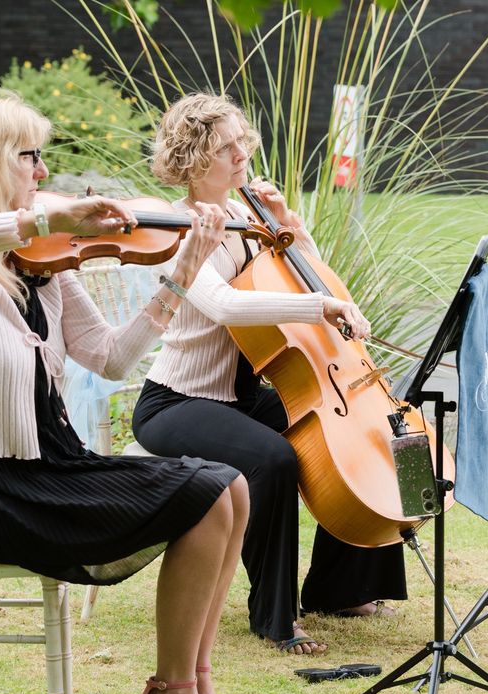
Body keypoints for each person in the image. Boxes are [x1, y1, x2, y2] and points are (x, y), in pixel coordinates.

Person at [0, 85, 257, 694]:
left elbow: (111, 357)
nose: (42, 174)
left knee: (231, 485)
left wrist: (181, 272)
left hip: (53, 461)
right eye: (27, 157)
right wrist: (49, 218)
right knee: (207, 494)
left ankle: (194, 686)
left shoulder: (43, 266)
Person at [131, 93, 407, 657]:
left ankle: (342, 585)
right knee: (272, 459)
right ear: (193, 159)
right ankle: (273, 615)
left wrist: (291, 230)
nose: (241, 154)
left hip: (238, 395)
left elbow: (311, 278)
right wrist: (318, 309)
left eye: (242, 141)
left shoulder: (251, 218)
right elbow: (229, 306)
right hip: (176, 403)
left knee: (360, 429)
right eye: (224, 146)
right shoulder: (183, 231)